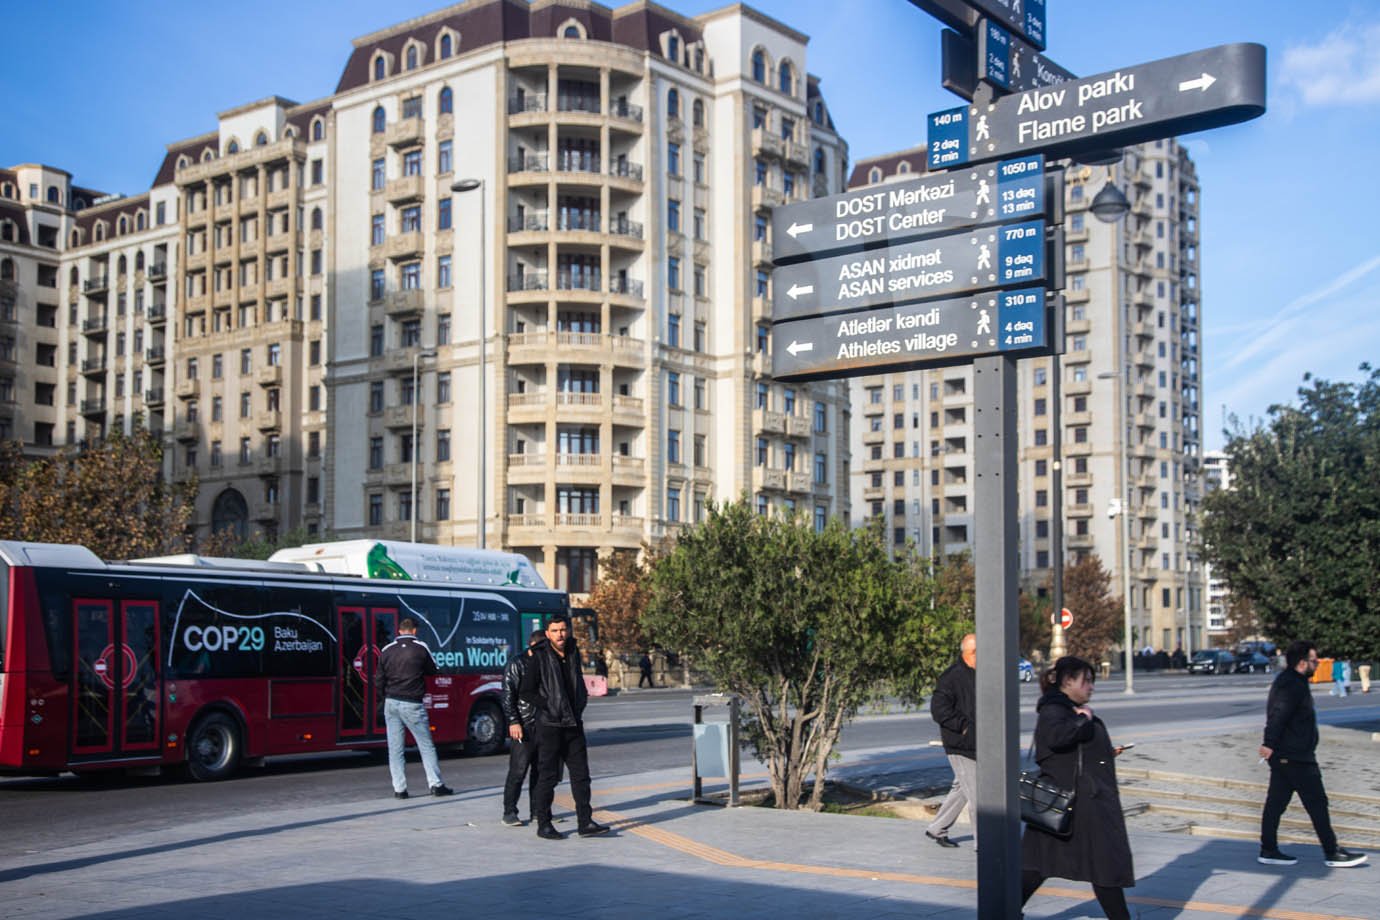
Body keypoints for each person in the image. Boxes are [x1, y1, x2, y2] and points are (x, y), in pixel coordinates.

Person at [1020, 656, 1134, 920]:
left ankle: (1007, 908)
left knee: (1040, 865)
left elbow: (1071, 750)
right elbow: (1057, 739)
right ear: (1068, 681)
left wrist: (1104, 751)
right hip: (1075, 804)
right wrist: (1084, 721)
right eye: (1087, 681)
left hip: (1076, 803)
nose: (1091, 687)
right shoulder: (1054, 710)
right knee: (1100, 865)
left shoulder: (1065, 708)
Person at [1257, 640, 1367, 868]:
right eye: (1314, 660)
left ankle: (1268, 850)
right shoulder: (1292, 685)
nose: (1317, 663)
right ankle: (1332, 852)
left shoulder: (1291, 681)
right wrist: (1268, 743)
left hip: (1288, 754)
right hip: (1295, 756)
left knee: (1276, 804)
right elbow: (1279, 714)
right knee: (1317, 803)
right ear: (1302, 663)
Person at [520, 616, 610, 840]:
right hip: (550, 726)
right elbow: (526, 691)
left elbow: (576, 682)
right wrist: (547, 705)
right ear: (548, 633)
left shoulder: (573, 652)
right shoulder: (538, 656)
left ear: (568, 631)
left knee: (581, 775)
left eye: (563, 629)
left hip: (573, 723)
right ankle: (544, 823)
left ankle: (585, 822)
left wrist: (580, 702)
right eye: (555, 630)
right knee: (547, 777)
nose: (560, 634)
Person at [378, 617, 453, 799]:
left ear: (400, 630)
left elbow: (379, 678)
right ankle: (436, 785)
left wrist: (385, 697)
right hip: (412, 702)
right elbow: (433, 670)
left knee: (395, 749)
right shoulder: (420, 648)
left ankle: (400, 790)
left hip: (391, 702)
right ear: (414, 630)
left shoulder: (386, 650)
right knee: (425, 745)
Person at [926, 633, 977, 849]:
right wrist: (964, 727)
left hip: (975, 743)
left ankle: (937, 828)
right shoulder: (952, 677)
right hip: (960, 745)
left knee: (961, 789)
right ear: (970, 653)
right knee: (978, 795)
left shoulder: (979, 673)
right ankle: (984, 843)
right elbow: (939, 710)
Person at [499, 628, 545, 826]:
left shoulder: (548, 662)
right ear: (532, 646)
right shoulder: (517, 663)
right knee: (518, 770)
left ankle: (538, 811)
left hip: (544, 724)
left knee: (541, 771)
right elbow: (508, 695)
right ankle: (509, 811)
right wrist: (514, 721)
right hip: (524, 724)